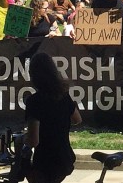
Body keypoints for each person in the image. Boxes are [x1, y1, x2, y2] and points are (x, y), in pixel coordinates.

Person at [24, 51, 82, 183]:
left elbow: (34, 141)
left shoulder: (34, 101)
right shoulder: (64, 95)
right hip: (65, 158)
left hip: (46, 162)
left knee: (24, 167)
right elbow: (77, 120)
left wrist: (23, 140)